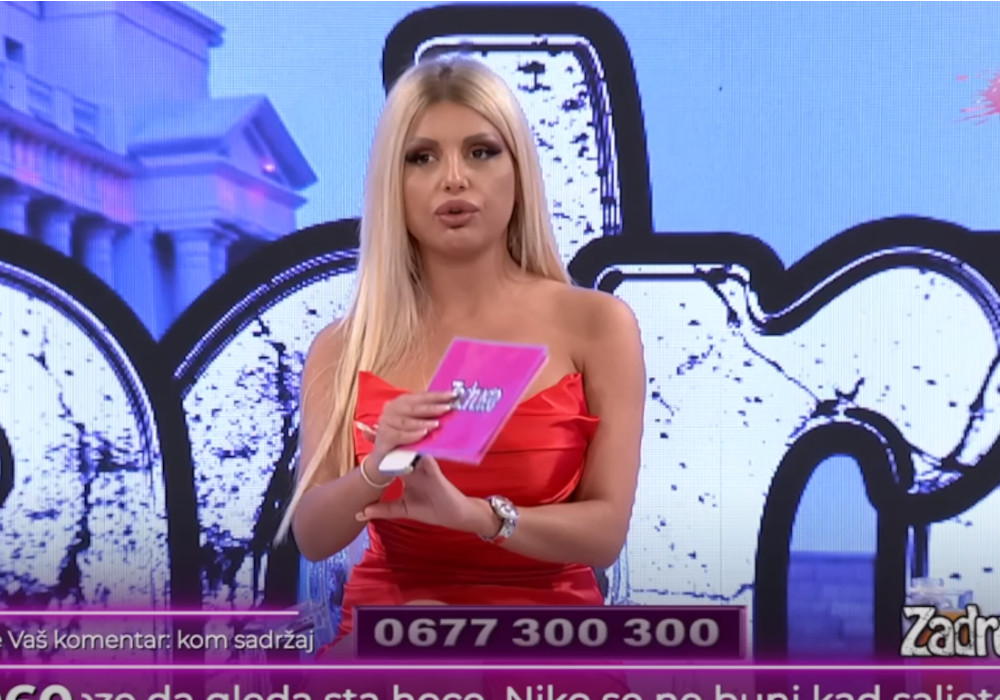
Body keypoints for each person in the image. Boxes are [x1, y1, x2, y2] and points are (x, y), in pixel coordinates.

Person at [277, 56, 645, 653]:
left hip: (547, 645)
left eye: (481, 152)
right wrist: (377, 469)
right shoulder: (344, 346)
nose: (453, 179)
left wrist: (477, 516)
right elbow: (314, 537)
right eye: (421, 157)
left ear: (519, 170)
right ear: (392, 184)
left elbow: (605, 533)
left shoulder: (598, 325)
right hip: (390, 641)